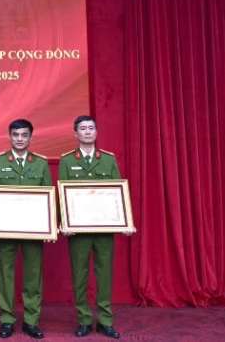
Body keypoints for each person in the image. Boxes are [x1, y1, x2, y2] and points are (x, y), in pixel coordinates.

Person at [58, 115, 133, 339]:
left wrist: (125, 220)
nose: (87, 132)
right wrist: (64, 222)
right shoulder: (67, 161)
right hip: (78, 231)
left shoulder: (108, 160)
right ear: (76, 134)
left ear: (96, 132)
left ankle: (105, 320)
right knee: (79, 276)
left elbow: (118, 193)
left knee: (104, 275)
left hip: (103, 229)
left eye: (91, 128)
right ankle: (83, 319)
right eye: (83, 128)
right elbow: (62, 194)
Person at [0, 119, 50, 339]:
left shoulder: (41, 163)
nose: (20, 139)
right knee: (5, 275)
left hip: (34, 229)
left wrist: (49, 225)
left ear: (30, 137)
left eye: (24, 135)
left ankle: (31, 321)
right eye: (15, 135)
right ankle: (7, 320)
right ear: (9, 136)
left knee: (33, 275)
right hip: (5, 229)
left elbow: (48, 196)